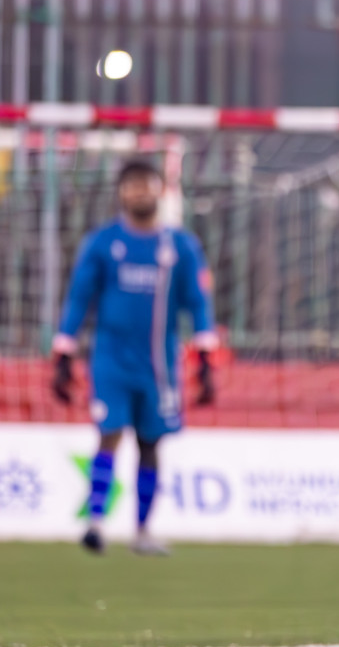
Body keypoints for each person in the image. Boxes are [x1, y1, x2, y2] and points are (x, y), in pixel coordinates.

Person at [52, 158, 217, 556]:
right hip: (110, 361)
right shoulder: (103, 243)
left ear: (161, 190)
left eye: (147, 184)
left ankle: (142, 531)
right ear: (121, 193)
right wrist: (63, 352)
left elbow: (197, 303)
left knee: (150, 443)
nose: (140, 192)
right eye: (132, 185)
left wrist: (206, 360)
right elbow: (79, 299)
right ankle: (94, 523)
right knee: (108, 434)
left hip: (159, 366)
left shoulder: (178, 246)